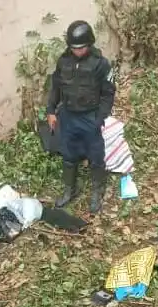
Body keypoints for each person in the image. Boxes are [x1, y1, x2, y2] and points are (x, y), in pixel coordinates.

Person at [46, 20, 117, 214]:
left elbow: (108, 93)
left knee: (95, 155)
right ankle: (70, 189)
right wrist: (51, 110)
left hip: (89, 116)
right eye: (74, 48)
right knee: (68, 154)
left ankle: (97, 190)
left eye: (81, 47)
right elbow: (56, 87)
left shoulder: (100, 64)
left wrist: (99, 118)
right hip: (68, 115)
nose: (77, 51)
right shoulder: (64, 61)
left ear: (89, 44)